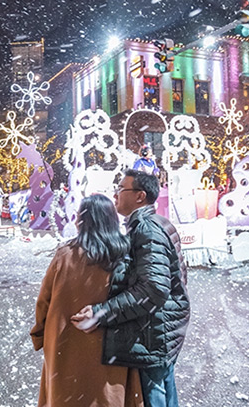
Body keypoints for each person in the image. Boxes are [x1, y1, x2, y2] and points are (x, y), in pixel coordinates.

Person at [71, 170, 190, 407]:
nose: (115, 194)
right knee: (164, 391)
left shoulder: (146, 229)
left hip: (154, 331)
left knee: (154, 397)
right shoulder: (156, 223)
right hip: (162, 328)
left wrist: (101, 312)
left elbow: (153, 289)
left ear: (139, 196)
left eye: (121, 189)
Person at [31, 194, 143, 407]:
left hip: (66, 343)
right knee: (108, 397)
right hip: (110, 346)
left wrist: (40, 335)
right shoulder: (125, 254)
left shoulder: (65, 255)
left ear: (82, 220)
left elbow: (44, 301)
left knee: (66, 397)